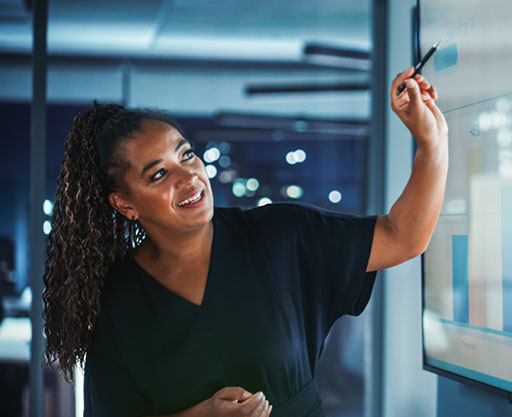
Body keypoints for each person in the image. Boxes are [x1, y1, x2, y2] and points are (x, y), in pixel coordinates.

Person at [41, 67, 447, 417]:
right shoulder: (119, 301)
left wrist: (432, 144)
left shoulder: (279, 236)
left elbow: (402, 237)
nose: (189, 178)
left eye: (186, 155)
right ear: (124, 204)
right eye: (158, 175)